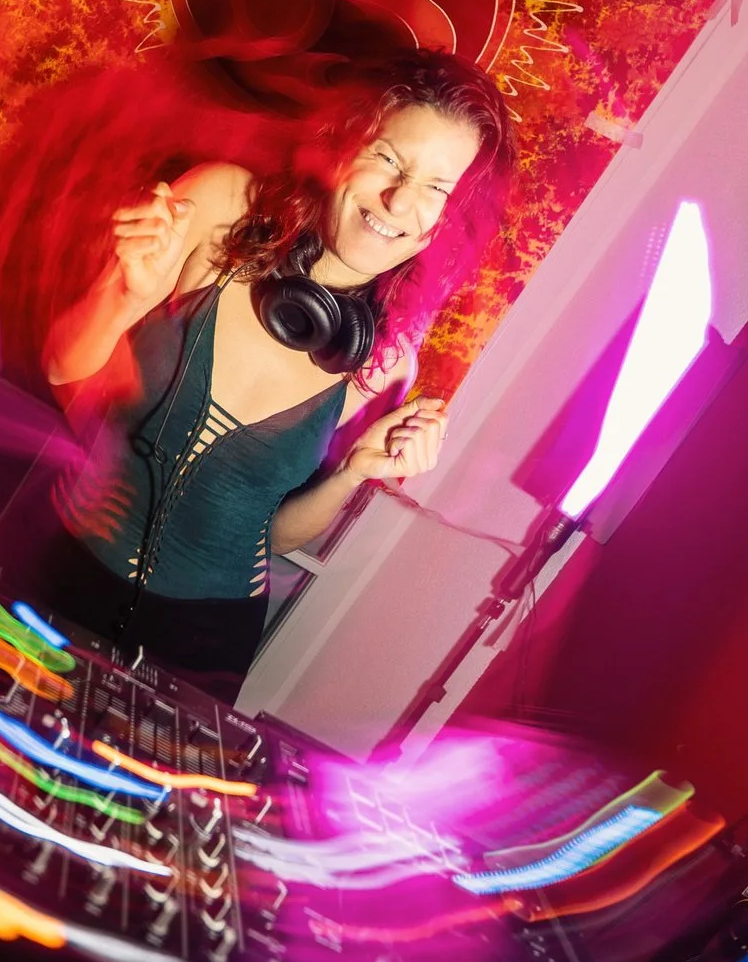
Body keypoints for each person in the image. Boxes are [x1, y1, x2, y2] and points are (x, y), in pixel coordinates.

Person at [29, 48, 517, 700]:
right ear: (344, 145)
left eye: (437, 190)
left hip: (205, 644)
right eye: (389, 159)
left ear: (444, 224)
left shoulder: (385, 357)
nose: (400, 201)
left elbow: (273, 529)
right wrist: (123, 298)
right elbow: (64, 369)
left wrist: (355, 472)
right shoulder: (223, 203)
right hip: (68, 572)